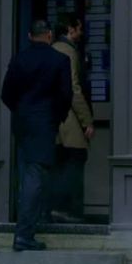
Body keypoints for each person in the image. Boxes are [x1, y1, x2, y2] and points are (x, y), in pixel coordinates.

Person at [1, 19, 72, 251]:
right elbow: (66, 95)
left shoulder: (19, 59)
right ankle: (24, 234)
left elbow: (6, 93)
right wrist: (55, 117)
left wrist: (21, 110)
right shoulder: (59, 60)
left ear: (30, 36)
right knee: (35, 175)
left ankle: (33, 222)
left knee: (30, 171)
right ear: (49, 35)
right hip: (45, 122)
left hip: (23, 122)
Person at [48, 13, 94, 224]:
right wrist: (87, 120)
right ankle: (68, 209)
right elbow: (74, 89)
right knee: (75, 161)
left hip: (54, 120)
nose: (81, 32)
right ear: (70, 28)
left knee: (60, 162)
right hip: (68, 119)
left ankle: (56, 207)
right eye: (79, 28)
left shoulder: (52, 49)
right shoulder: (69, 52)